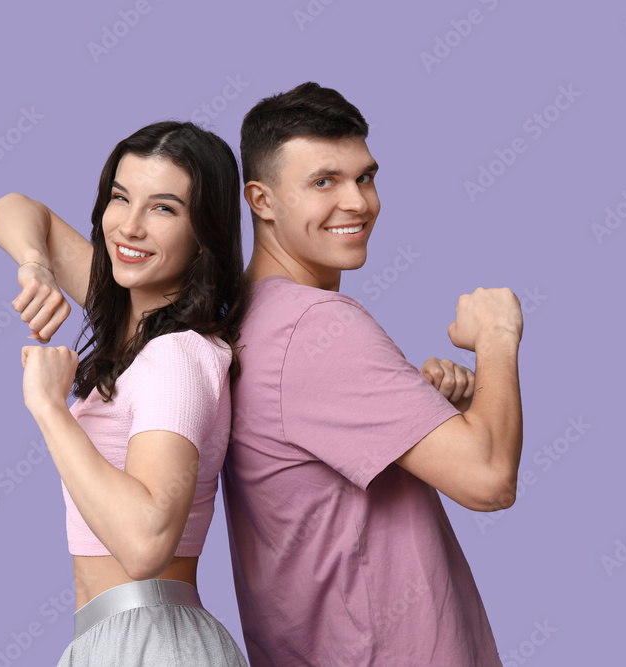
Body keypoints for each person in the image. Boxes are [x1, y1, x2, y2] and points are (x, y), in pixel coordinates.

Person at [221, 82, 524, 666]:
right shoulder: (313, 326)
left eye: (364, 176)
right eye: (323, 181)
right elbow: (489, 480)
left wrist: (442, 411)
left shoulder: (244, 318)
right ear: (260, 200)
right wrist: (497, 338)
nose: (358, 202)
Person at [0, 121, 249, 666]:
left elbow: (145, 543)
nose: (129, 228)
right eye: (119, 197)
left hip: (152, 642)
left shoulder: (176, 355)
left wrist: (49, 408)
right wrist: (36, 268)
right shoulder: (131, 325)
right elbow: (14, 207)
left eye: (163, 208)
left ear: (203, 233)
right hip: (119, 639)